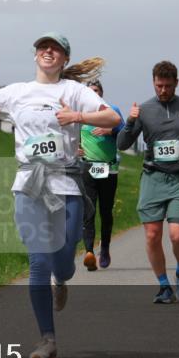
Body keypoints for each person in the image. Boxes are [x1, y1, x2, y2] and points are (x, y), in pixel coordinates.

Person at [0, 33, 120, 358]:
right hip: (29, 183)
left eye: (55, 48)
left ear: (65, 59)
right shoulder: (16, 92)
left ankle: (61, 279)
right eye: (42, 47)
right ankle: (47, 340)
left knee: (63, 261)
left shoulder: (74, 92)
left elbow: (113, 119)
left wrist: (77, 117)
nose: (47, 51)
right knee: (38, 261)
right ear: (35, 55)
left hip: (65, 183)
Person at [116, 61, 179, 304]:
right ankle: (163, 286)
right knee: (152, 235)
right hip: (153, 177)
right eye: (159, 85)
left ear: (176, 83)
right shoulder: (145, 110)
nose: (163, 90)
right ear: (153, 82)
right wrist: (129, 122)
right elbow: (122, 144)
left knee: (177, 234)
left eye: (168, 86)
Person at [79, 80, 124, 269]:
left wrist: (110, 130)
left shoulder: (111, 110)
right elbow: (69, 134)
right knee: (88, 211)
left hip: (108, 168)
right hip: (87, 168)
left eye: (96, 91)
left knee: (106, 212)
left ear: (101, 93)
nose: (93, 94)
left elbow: (124, 132)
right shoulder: (80, 113)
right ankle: (89, 252)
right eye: (90, 91)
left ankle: (104, 247)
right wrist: (75, 148)